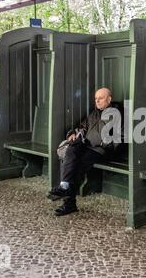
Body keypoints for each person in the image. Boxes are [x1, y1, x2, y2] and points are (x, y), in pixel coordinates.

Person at [48, 87, 121, 216]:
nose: (97, 101)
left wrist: (104, 144)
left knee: (77, 165)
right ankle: (64, 186)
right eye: (96, 99)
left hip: (100, 150)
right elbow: (82, 127)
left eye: (101, 98)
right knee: (69, 152)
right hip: (86, 145)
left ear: (109, 99)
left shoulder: (117, 114)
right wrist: (72, 133)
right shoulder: (94, 114)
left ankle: (69, 203)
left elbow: (119, 137)